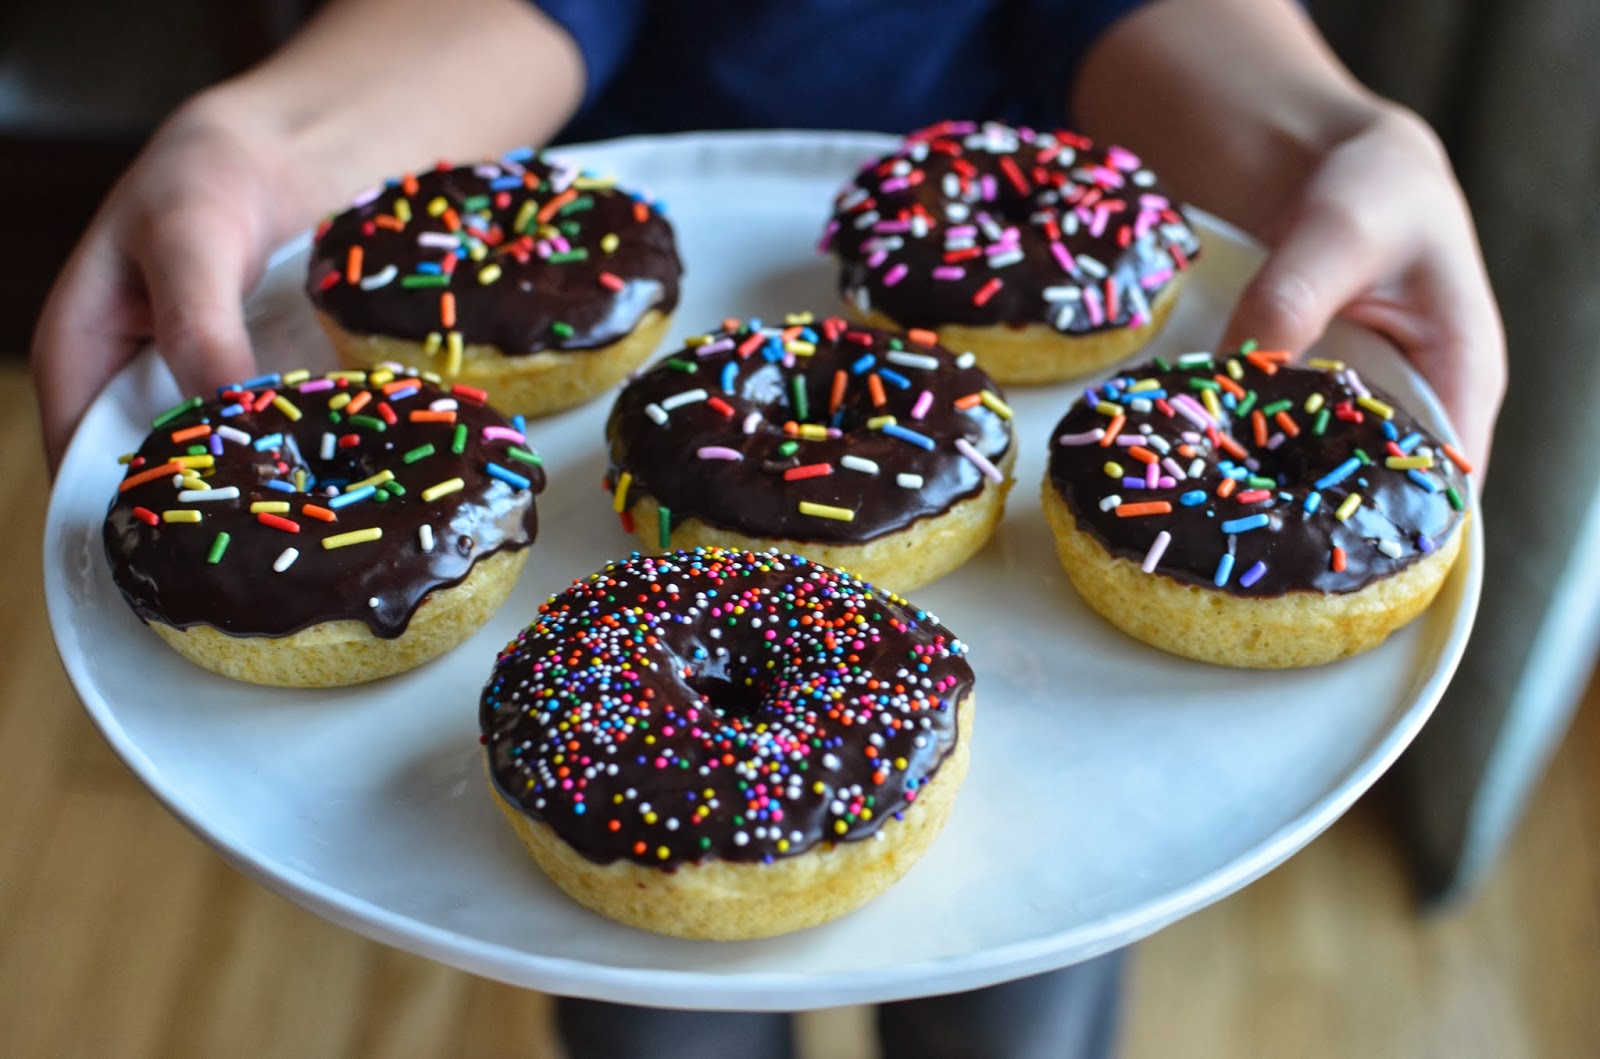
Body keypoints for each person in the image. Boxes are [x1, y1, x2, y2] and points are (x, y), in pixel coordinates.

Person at [27, 1, 1507, 1056]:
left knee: (1025, 994)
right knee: (650, 1014)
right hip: (588, 205)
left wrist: (1333, 136)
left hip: (1012, 222)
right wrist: (274, 136)